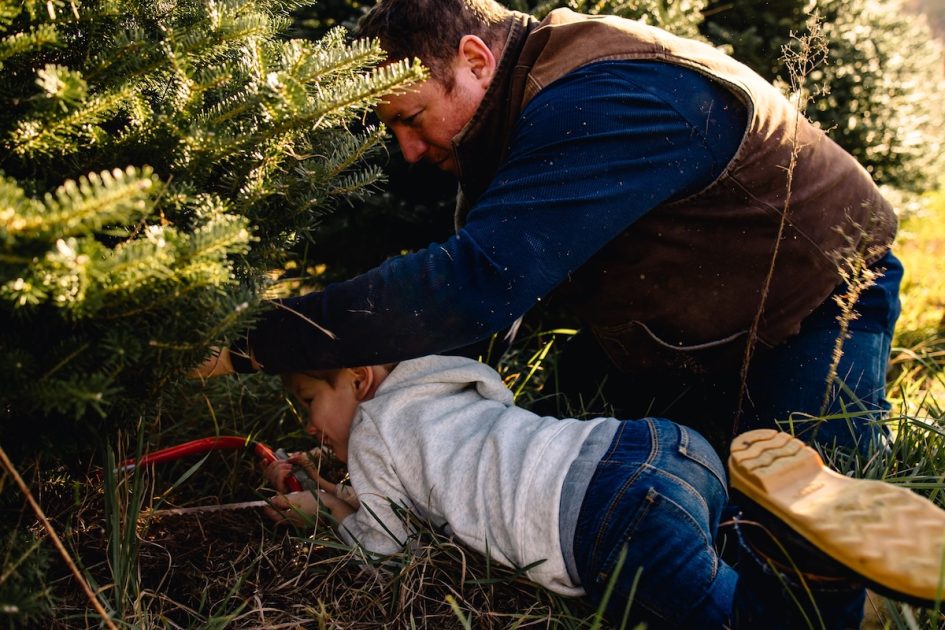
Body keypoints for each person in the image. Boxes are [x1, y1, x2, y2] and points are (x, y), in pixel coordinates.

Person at [198, 0, 901, 456]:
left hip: (812, 308)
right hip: (669, 329)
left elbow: (478, 282)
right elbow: (480, 311)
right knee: (543, 459)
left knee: (797, 537)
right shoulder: (510, 111)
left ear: (474, 59)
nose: (407, 152)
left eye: (409, 119)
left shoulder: (603, 97)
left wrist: (254, 341)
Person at [261, 354, 945, 628]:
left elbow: (385, 549)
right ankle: (795, 546)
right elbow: (435, 480)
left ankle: (818, 573)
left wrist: (322, 519)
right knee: (712, 538)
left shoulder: (376, 429)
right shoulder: (434, 384)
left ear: (360, 377)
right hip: (658, 447)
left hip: (606, 518)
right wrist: (342, 493)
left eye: (308, 400)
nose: (309, 426)